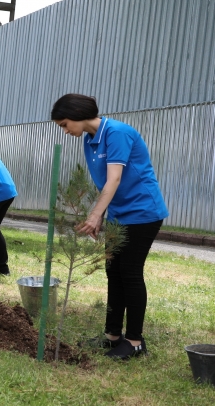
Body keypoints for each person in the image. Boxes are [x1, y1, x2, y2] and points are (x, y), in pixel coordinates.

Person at [52, 93, 168, 360]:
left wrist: (94, 215)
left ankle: (135, 341)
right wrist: (102, 215)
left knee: (129, 271)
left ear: (78, 114)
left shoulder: (117, 133)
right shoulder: (89, 140)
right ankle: (112, 336)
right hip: (118, 214)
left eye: (65, 124)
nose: (65, 130)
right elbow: (101, 180)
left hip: (143, 212)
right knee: (113, 271)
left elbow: (114, 179)